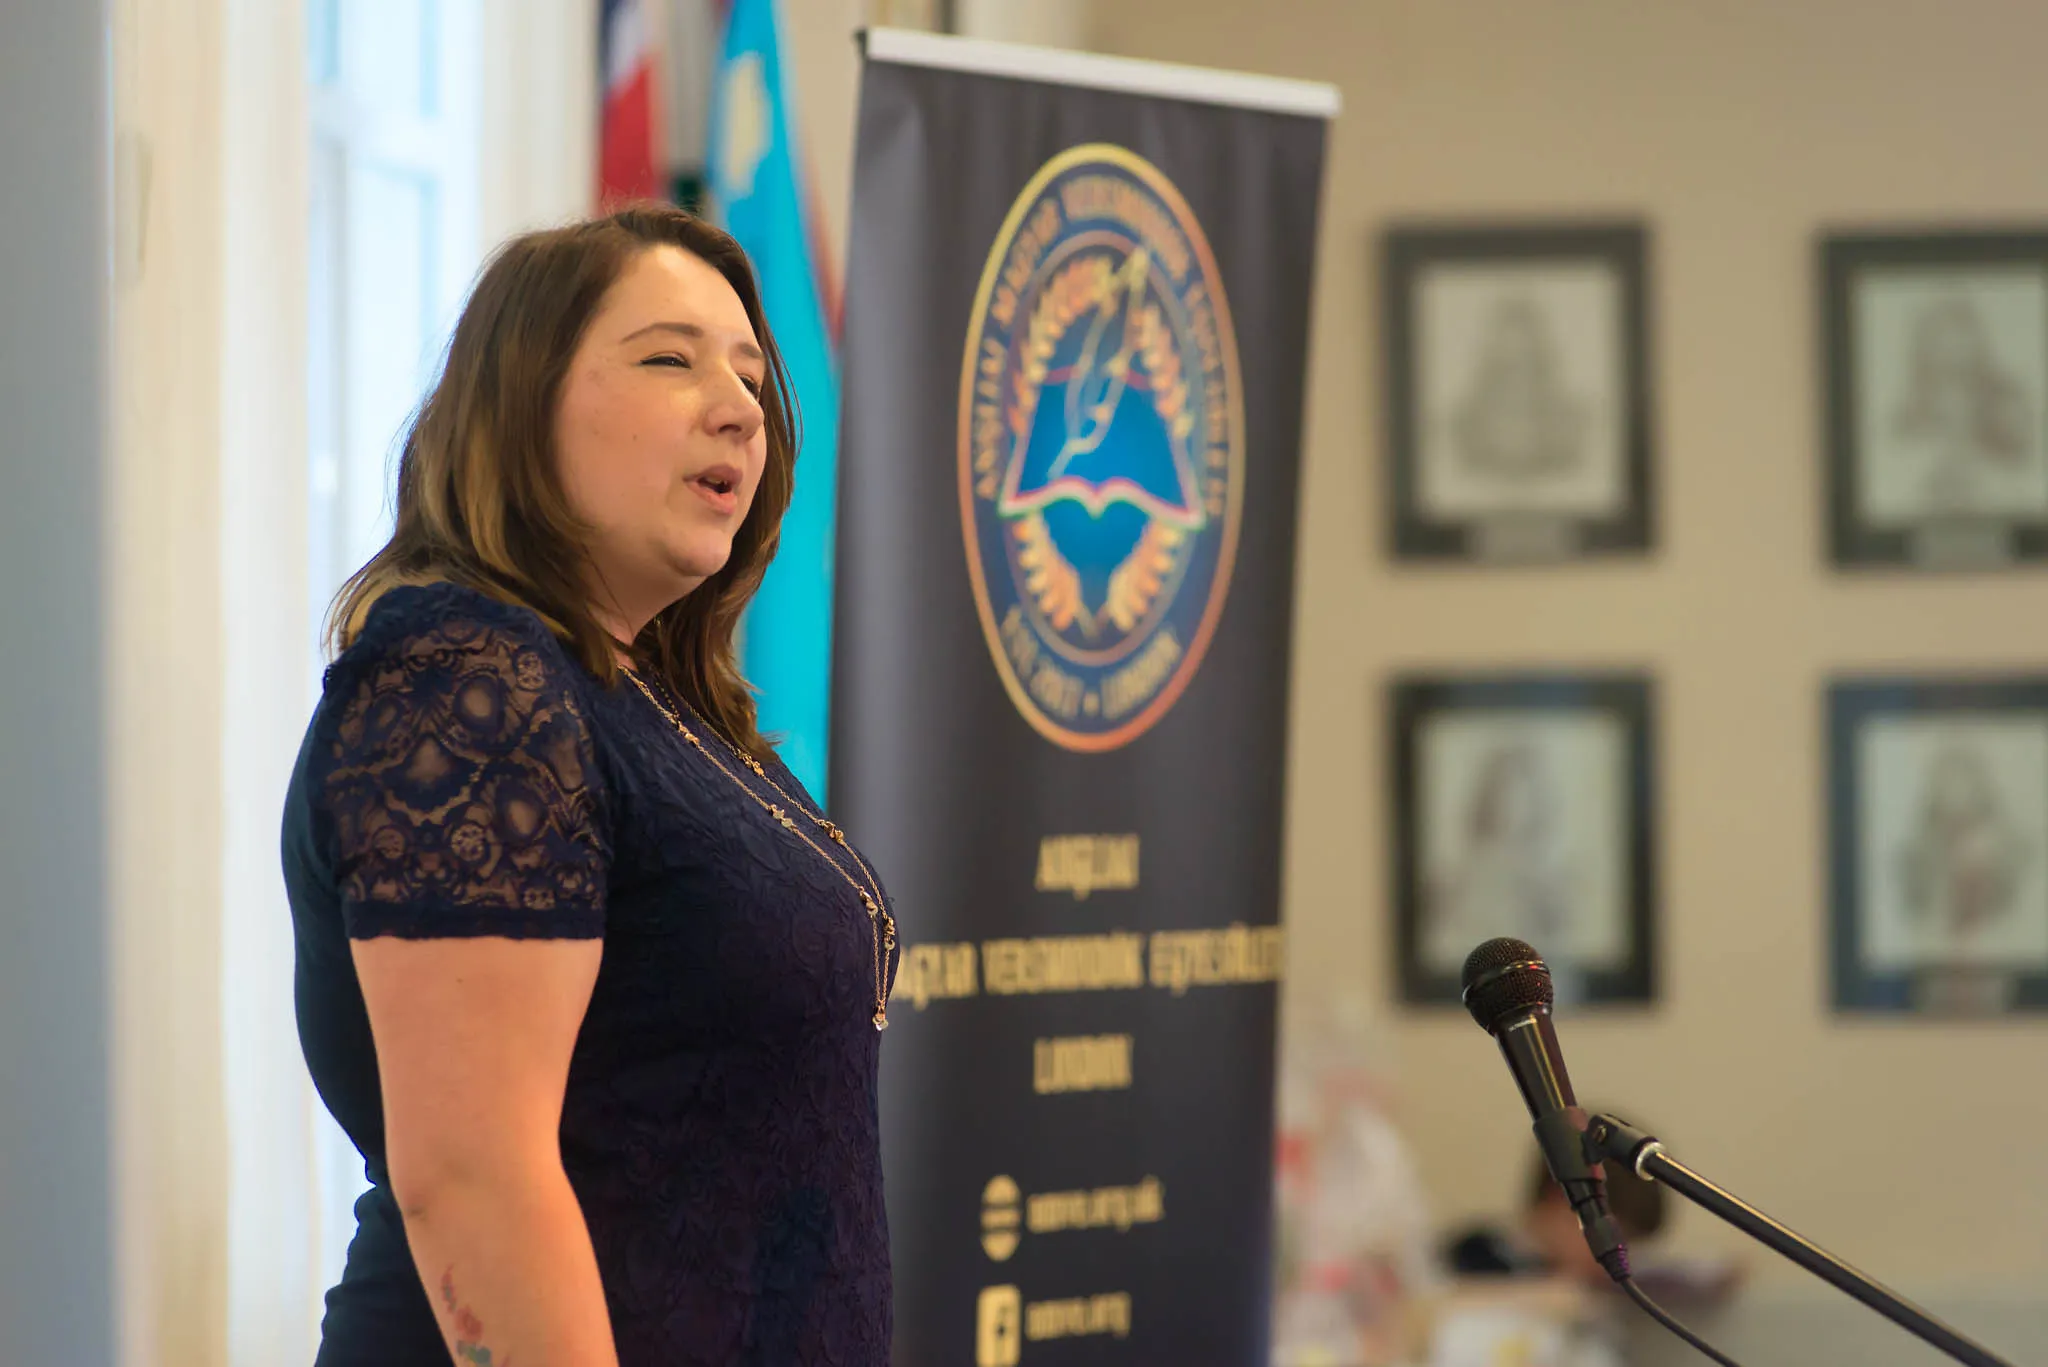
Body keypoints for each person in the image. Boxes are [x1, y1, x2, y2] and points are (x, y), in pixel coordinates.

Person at [280, 204, 898, 1366]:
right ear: (521, 405)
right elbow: (471, 1176)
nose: (739, 406)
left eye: (749, 373)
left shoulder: (652, 700)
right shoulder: (466, 686)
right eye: (669, 359)